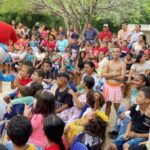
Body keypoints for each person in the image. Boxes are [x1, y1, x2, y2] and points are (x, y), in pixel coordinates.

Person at [102, 47, 126, 117]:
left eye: (117, 52)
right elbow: (103, 74)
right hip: (108, 87)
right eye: (114, 52)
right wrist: (114, 74)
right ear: (111, 53)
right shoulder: (108, 63)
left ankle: (118, 123)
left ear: (120, 53)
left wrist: (109, 75)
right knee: (107, 105)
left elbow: (122, 78)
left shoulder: (122, 64)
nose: (115, 53)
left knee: (117, 107)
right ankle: (106, 121)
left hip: (117, 88)